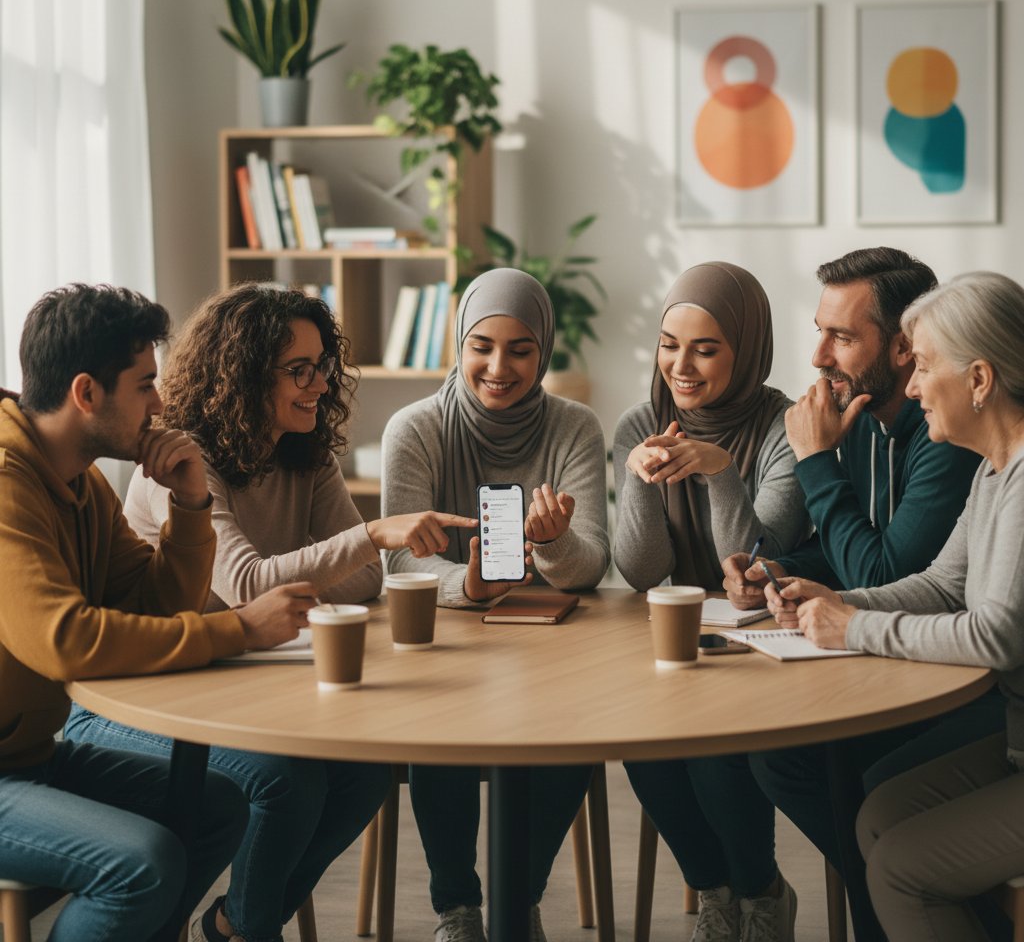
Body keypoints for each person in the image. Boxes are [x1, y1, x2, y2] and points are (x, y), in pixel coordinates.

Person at [63, 284, 476, 942]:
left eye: (322, 367)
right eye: (299, 370)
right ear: (245, 373)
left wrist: (324, 566)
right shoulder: (180, 466)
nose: (317, 385)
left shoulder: (303, 454)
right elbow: (251, 584)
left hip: (236, 680)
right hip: (144, 695)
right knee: (288, 782)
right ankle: (249, 930)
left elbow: (364, 583)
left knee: (368, 769)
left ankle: (238, 923)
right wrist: (365, 536)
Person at [0, 284, 313, 942]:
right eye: (144, 386)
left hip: (31, 756)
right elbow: (65, 640)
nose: (161, 405)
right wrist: (238, 629)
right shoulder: (7, 486)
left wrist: (192, 505)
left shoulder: (80, 478)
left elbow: (153, 600)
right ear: (87, 393)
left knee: (215, 806)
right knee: (141, 864)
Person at [724, 250, 1002, 898]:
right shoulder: (863, 419)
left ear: (906, 349)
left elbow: (892, 565)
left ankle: (899, 900)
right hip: (908, 655)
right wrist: (781, 569)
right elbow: (859, 550)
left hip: (964, 683)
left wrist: (816, 459)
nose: (819, 354)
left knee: (802, 759)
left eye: (842, 336)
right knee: (762, 748)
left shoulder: (953, 436)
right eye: (821, 330)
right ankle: (891, 901)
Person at [381, 267, 610, 942]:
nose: (498, 367)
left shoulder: (575, 427)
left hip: (551, 655)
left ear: (543, 351)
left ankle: (518, 900)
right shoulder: (415, 428)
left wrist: (555, 544)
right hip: (451, 648)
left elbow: (594, 563)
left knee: (574, 736)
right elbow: (399, 561)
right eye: (482, 345)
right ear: (459, 342)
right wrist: (471, 587)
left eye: (520, 349)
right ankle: (458, 910)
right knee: (438, 731)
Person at [613, 261, 809, 942]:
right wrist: (640, 479)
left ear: (746, 348)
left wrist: (720, 471)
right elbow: (643, 571)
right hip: (679, 641)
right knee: (642, 743)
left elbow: (751, 566)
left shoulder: (785, 426)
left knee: (715, 747)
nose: (682, 365)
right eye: (670, 344)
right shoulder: (641, 421)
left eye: (706, 347)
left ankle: (760, 899)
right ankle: (719, 894)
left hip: (766, 639)